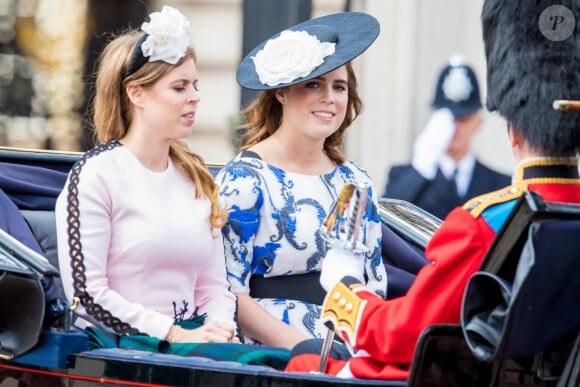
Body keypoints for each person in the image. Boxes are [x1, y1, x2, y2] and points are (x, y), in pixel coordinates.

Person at [286, 0, 580, 379]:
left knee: (305, 361)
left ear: (514, 130)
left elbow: (406, 334)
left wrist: (346, 289)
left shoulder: (484, 224)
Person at [55, 6, 239, 346]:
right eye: (180, 87)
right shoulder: (96, 174)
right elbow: (86, 295)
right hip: (119, 348)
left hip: (195, 343)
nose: (195, 97)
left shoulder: (197, 179)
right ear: (136, 93)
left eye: (195, 84)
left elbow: (214, 288)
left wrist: (220, 331)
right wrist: (174, 333)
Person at [215, 12, 388, 349]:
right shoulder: (244, 180)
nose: (330, 98)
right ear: (281, 92)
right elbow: (227, 291)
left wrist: (359, 351)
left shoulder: (356, 182)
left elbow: (374, 282)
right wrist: (303, 349)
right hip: (272, 356)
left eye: (339, 87)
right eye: (314, 85)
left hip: (349, 351)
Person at [383, 56, 511, 220]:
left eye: (462, 119)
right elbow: (385, 221)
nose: (453, 129)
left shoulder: (501, 186)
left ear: (478, 123)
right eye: (447, 119)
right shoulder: (405, 177)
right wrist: (421, 168)